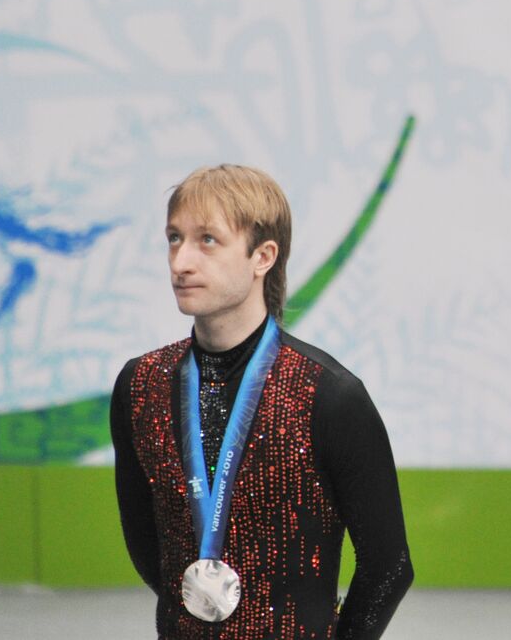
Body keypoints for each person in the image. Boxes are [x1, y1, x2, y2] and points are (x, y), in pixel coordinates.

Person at [110, 164, 414, 639]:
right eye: (174, 238)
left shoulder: (328, 395)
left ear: (263, 257)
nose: (180, 261)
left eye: (207, 239)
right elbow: (149, 545)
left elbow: (389, 566)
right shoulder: (141, 385)